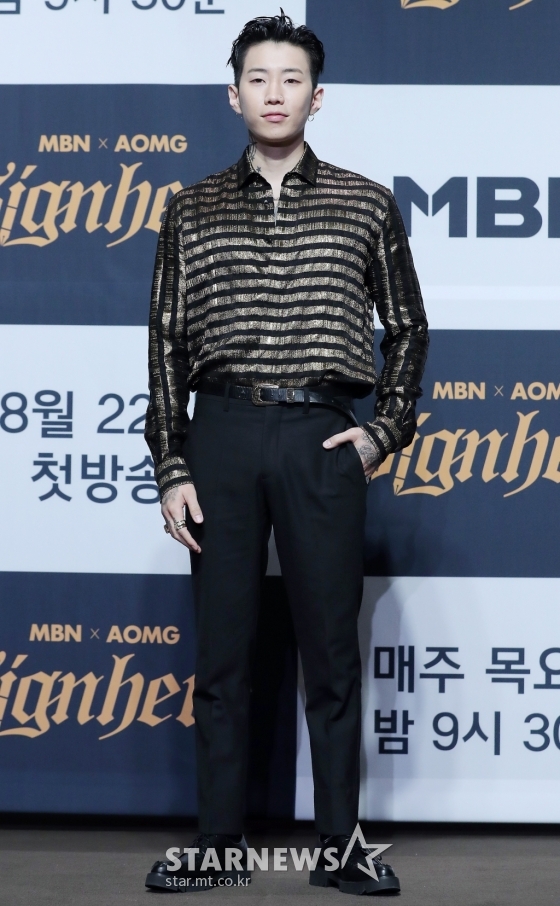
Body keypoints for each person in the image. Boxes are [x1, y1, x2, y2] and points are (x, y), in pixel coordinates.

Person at [144, 10, 428, 896]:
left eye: (291, 79)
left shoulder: (365, 202)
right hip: (222, 433)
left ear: (317, 96)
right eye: (258, 78)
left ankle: (340, 846)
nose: (275, 93)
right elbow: (165, 345)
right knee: (224, 658)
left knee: (331, 654)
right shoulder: (190, 207)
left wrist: (384, 430)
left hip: (320, 437)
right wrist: (172, 465)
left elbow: (409, 328)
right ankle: (218, 845)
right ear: (233, 94)